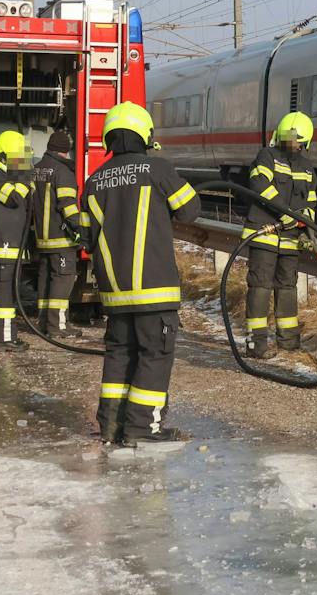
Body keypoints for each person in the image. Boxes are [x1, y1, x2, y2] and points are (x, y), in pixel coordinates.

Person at [78, 102, 200, 446]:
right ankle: (143, 431)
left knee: (119, 356)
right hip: (154, 290)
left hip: (115, 293)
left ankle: (112, 428)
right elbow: (190, 211)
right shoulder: (157, 169)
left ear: (109, 139)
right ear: (146, 136)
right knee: (154, 356)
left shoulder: (94, 181)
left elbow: (86, 238)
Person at [240, 111, 317, 358]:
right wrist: (286, 216)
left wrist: (307, 228)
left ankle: (289, 343)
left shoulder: (307, 168)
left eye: (299, 141)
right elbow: (260, 186)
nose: (294, 145)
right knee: (260, 286)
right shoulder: (267, 157)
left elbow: (312, 202)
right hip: (264, 234)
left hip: (291, 238)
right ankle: (256, 344)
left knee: (287, 287)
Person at [0, 129, 32, 352]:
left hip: (8, 242)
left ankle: (0, 337)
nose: (19, 163)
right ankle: (4, 340)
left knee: (2, 290)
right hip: (3, 244)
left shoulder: (0, 172)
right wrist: (25, 178)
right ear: (4, 156)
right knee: (4, 293)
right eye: (17, 158)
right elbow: (13, 199)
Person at [31, 129, 85, 338]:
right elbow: (69, 207)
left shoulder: (36, 169)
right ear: (66, 151)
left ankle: (44, 322)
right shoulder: (63, 173)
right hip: (61, 240)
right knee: (63, 280)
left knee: (46, 280)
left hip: (42, 240)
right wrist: (80, 229)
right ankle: (57, 327)